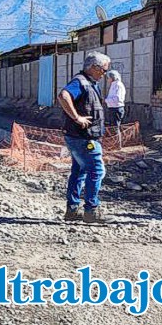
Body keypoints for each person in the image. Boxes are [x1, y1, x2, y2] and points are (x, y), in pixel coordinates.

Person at [57, 51, 111, 223]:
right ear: (93, 67)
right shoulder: (80, 82)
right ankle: (91, 211)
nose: (104, 74)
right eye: (103, 70)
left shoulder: (89, 83)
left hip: (78, 136)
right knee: (97, 170)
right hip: (83, 138)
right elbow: (63, 96)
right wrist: (77, 117)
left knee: (79, 171)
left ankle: (72, 210)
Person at [105, 70, 126, 148]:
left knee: (115, 127)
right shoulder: (113, 85)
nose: (107, 80)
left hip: (117, 108)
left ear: (112, 78)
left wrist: (106, 100)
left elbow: (117, 99)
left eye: (108, 78)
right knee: (113, 127)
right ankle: (115, 144)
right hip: (112, 108)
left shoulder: (118, 85)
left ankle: (117, 145)